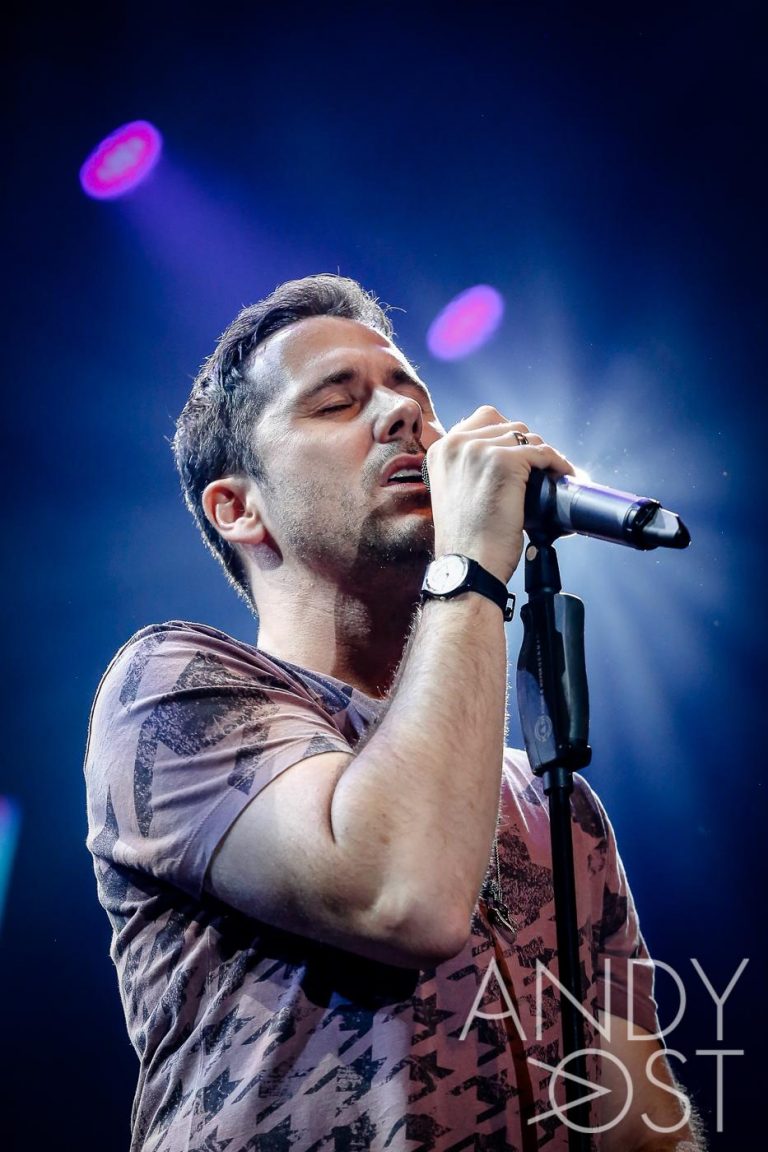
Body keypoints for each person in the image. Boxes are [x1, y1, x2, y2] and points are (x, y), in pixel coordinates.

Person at [84, 274, 704, 1151]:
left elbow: (636, 1120)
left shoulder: (552, 803)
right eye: (338, 403)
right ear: (239, 508)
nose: (404, 414)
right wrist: (472, 565)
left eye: (412, 394)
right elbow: (403, 895)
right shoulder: (172, 689)